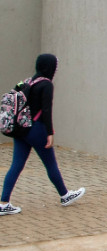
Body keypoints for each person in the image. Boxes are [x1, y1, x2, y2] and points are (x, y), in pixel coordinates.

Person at [1, 54, 85, 216]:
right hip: (36, 129)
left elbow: (14, 90)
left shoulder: (26, 81)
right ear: (50, 67)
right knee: (50, 164)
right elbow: (46, 111)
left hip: (21, 129)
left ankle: (3, 203)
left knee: (16, 165)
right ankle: (65, 195)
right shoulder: (46, 84)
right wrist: (50, 133)